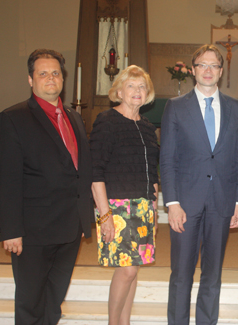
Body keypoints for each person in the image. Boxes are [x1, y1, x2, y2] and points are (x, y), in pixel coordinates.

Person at [0, 49, 94, 324]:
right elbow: (5, 181)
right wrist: (11, 230)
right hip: (33, 230)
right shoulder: (12, 119)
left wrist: (86, 217)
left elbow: (80, 170)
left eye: (56, 72)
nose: (51, 78)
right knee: (31, 301)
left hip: (69, 226)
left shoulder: (73, 117)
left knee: (54, 298)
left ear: (63, 77)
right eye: (43, 73)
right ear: (30, 79)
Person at [160, 44, 238, 324]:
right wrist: (172, 203)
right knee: (182, 273)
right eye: (202, 65)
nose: (208, 70)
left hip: (222, 203)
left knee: (213, 274)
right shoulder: (175, 107)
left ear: (220, 72)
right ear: (193, 70)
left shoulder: (236, 108)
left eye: (213, 66)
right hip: (185, 203)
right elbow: (168, 159)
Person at [89, 65, 160, 325]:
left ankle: (125, 322)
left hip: (142, 206)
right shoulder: (107, 120)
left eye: (142, 86)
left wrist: (153, 202)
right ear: (119, 91)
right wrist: (104, 213)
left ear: (148, 93)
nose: (137, 91)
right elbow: (95, 171)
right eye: (131, 85)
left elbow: (152, 169)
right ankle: (112, 322)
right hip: (117, 206)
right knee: (127, 269)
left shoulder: (147, 126)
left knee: (134, 269)